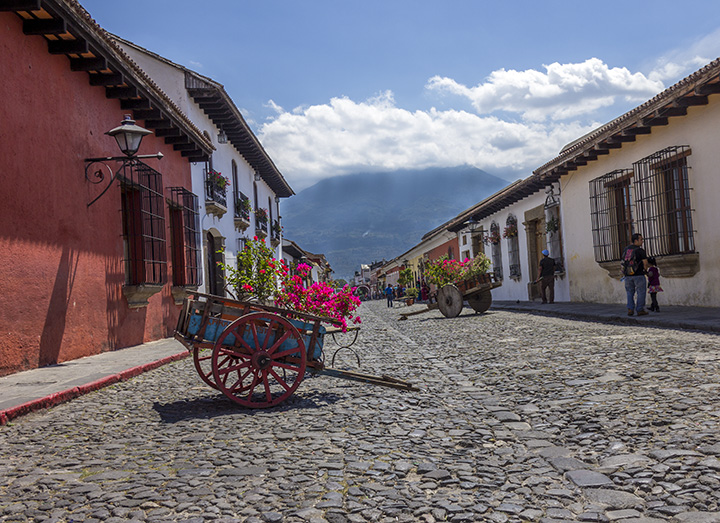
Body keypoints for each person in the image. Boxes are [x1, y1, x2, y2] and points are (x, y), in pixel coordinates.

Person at [622, 233, 650, 316]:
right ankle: (640, 309)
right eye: (641, 239)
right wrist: (645, 270)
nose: (642, 241)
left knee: (629, 292)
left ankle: (630, 309)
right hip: (638, 274)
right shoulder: (640, 250)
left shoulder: (626, 249)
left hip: (628, 275)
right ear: (636, 241)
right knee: (641, 292)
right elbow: (645, 262)